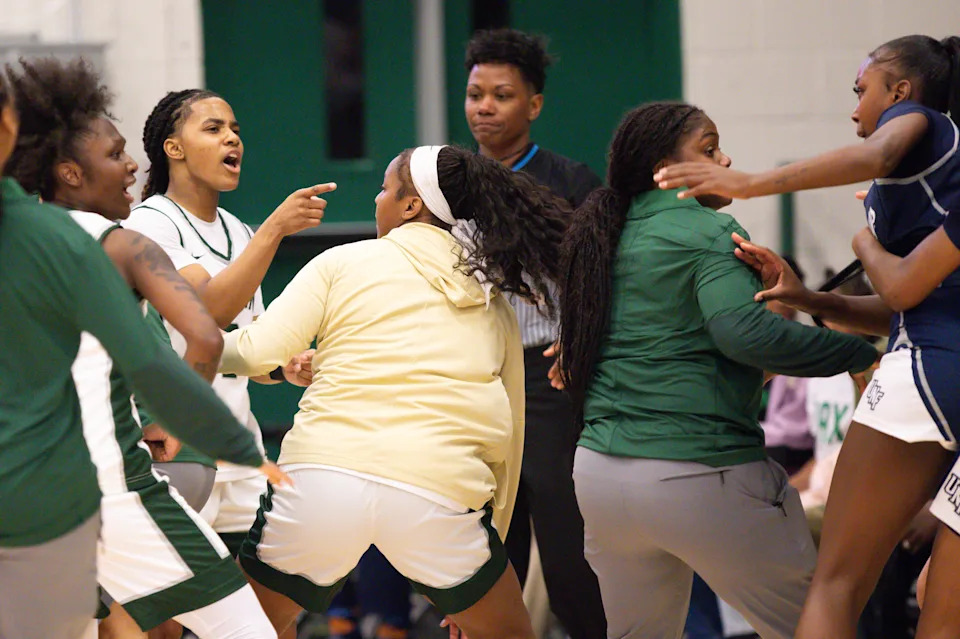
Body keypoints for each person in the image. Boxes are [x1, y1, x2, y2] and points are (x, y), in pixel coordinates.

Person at [655, 35, 960, 639]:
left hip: (929, 370)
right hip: (939, 355)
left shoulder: (916, 121)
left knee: (835, 585)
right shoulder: (937, 174)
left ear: (900, 92)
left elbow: (901, 286)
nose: (853, 108)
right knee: (937, 600)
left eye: (860, 90)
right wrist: (809, 299)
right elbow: (909, 307)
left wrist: (751, 185)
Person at [213, 144, 567, 639]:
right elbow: (510, 438)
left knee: (243, 630)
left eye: (384, 189)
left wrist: (181, 342)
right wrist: (476, 569)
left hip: (322, 478)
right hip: (439, 493)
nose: (376, 199)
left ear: (410, 206)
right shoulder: (492, 300)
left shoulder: (341, 261)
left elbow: (254, 352)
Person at [557, 101, 878, 639]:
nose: (726, 160)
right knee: (817, 627)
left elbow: (684, 353)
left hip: (599, 477)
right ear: (666, 168)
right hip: (695, 471)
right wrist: (861, 352)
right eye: (709, 150)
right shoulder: (708, 230)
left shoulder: (601, 236)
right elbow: (746, 336)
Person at [5, 57, 291, 639]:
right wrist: (175, 418)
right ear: (69, 173)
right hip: (108, 486)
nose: (133, 164)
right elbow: (206, 336)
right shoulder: (122, 243)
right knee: (246, 630)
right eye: (114, 156)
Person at [123, 89, 331, 559]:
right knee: (167, 622)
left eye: (235, 130)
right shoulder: (149, 223)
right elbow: (208, 312)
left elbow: (246, 347)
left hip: (240, 457)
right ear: (173, 148)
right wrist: (277, 228)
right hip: (176, 451)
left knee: (272, 610)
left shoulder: (239, 231)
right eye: (213, 129)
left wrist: (283, 367)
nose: (231, 139)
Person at [463, 28, 605, 639]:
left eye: (501, 95)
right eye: (474, 94)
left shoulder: (571, 181)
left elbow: (599, 280)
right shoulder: (445, 180)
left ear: (534, 104)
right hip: (472, 379)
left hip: (546, 376)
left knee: (565, 540)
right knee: (481, 547)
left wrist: (579, 345)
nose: (485, 107)